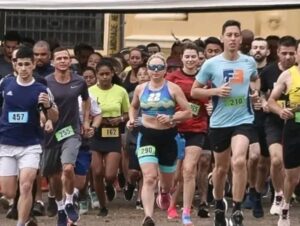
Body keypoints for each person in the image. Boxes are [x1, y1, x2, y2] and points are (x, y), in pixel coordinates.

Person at [191, 20, 259, 226]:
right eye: (229, 35)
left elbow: (255, 79)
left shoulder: (249, 62)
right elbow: (195, 91)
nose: (233, 38)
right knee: (220, 168)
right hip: (220, 121)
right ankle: (219, 204)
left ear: (241, 39)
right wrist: (215, 91)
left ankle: (237, 210)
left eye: (236, 35)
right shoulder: (212, 64)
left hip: (244, 119)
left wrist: (254, 92)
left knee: (238, 161)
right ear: (222, 38)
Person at [128, 53, 192, 226]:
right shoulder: (141, 89)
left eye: (159, 68)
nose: (155, 71)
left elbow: (188, 112)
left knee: (167, 183)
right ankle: (148, 217)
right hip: (147, 135)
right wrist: (132, 119)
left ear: (165, 70)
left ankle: (164, 192)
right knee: (149, 177)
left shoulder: (173, 88)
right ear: (147, 69)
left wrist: (172, 118)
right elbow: (133, 106)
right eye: (152, 68)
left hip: (168, 137)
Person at [0, 46, 58, 226]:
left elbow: (55, 116)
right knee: (9, 192)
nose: (24, 68)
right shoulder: (5, 84)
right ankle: (18, 208)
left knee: (26, 185)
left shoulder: (41, 88)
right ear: (15, 65)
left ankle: (21, 222)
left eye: (27, 64)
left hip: (31, 144)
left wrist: (48, 107)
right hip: (7, 143)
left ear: (33, 65)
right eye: (20, 64)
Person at [41, 47, 91, 226]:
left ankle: (70, 201)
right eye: (59, 58)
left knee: (68, 168)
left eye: (66, 58)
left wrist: (85, 122)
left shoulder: (79, 81)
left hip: (72, 132)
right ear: (53, 62)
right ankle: (60, 207)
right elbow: (39, 105)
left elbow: (86, 100)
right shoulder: (45, 82)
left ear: (70, 61)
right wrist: (45, 120)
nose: (63, 61)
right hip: (50, 134)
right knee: (53, 177)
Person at [166, 42, 209, 226]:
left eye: (194, 57)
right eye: (187, 56)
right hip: (175, 127)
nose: (191, 60)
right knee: (176, 172)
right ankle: (171, 204)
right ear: (181, 58)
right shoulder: (172, 78)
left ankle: (186, 212)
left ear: (199, 60)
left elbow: (210, 102)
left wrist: (210, 107)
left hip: (197, 128)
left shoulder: (205, 79)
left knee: (189, 169)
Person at [260, 36, 297, 216]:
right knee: (275, 160)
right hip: (274, 122)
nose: (288, 57)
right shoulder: (268, 72)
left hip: (295, 122)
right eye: (285, 53)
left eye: (292, 53)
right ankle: (278, 194)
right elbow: (262, 95)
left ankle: (288, 193)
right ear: (278, 53)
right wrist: (268, 105)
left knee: (291, 168)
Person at [88, 59, 130, 216]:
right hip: (96, 133)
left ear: (113, 74)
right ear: (96, 75)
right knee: (97, 171)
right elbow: (85, 112)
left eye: (107, 74)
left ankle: (109, 185)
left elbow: (127, 113)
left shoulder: (121, 91)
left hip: (113, 133)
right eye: (101, 74)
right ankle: (102, 205)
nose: (105, 77)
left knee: (110, 175)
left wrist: (119, 119)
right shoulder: (90, 91)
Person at [268, 40, 300, 226]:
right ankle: (285, 208)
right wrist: (281, 111)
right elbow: (271, 100)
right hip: (294, 128)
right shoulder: (288, 75)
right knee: (292, 176)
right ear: (297, 54)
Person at [243, 37, 270, 218]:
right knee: (252, 157)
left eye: (261, 47)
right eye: (255, 47)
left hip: (268, 119)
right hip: (248, 117)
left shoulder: (272, 70)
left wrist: (266, 101)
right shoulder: (243, 68)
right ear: (250, 50)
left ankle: (258, 193)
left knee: (263, 162)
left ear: (267, 51)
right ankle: (251, 189)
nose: (258, 50)